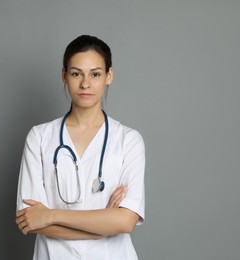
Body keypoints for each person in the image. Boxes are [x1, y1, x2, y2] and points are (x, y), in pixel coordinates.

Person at [15, 35, 145, 260]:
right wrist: (105, 222)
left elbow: (125, 221)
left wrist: (51, 215)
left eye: (95, 74)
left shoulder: (129, 140)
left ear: (109, 76)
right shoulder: (39, 137)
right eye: (76, 73)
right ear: (64, 76)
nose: (85, 83)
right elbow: (32, 220)